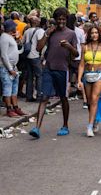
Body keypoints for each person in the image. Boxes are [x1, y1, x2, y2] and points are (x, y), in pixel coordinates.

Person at [29, 8, 78, 138]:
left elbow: (77, 54)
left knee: (63, 98)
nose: (61, 21)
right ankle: (37, 128)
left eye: (63, 19)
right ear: (55, 20)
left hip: (62, 69)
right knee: (44, 97)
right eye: (59, 19)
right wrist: (46, 34)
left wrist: (69, 46)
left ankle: (65, 125)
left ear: (66, 20)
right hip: (48, 69)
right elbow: (39, 48)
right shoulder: (50, 32)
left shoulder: (71, 34)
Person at [77, 26, 101, 137]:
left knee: (94, 99)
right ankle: (94, 119)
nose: (94, 35)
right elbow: (82, 64)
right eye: (92, 33)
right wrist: (79, 79)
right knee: (89, 101)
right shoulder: (85, 47)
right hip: (87, 75)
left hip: (100, 75)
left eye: (96, 33)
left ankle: (90, 126)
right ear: (89, 35)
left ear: (99, 34)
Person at [0, 20, 26, 117]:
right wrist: (10, 69)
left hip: (13, 67)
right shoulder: (4, 38)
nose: (16, 27)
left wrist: (19, 42)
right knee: (7, 88)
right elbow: (4, 55)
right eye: (15, 26)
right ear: (11, 28)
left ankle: (15, 107)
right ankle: (9, 109)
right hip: (6, 68)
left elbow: (16, 51)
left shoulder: (9, 37)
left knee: (14, 88)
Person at [22, 16, 45, 102]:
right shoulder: (40, 31)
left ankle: (29, 96)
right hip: (35, 56)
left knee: (30, 77)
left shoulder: (27, 31)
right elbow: (41, 44)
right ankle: (39, 96)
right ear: (36, 22)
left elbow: (23, 42)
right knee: (39, 76)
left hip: (28, 56)